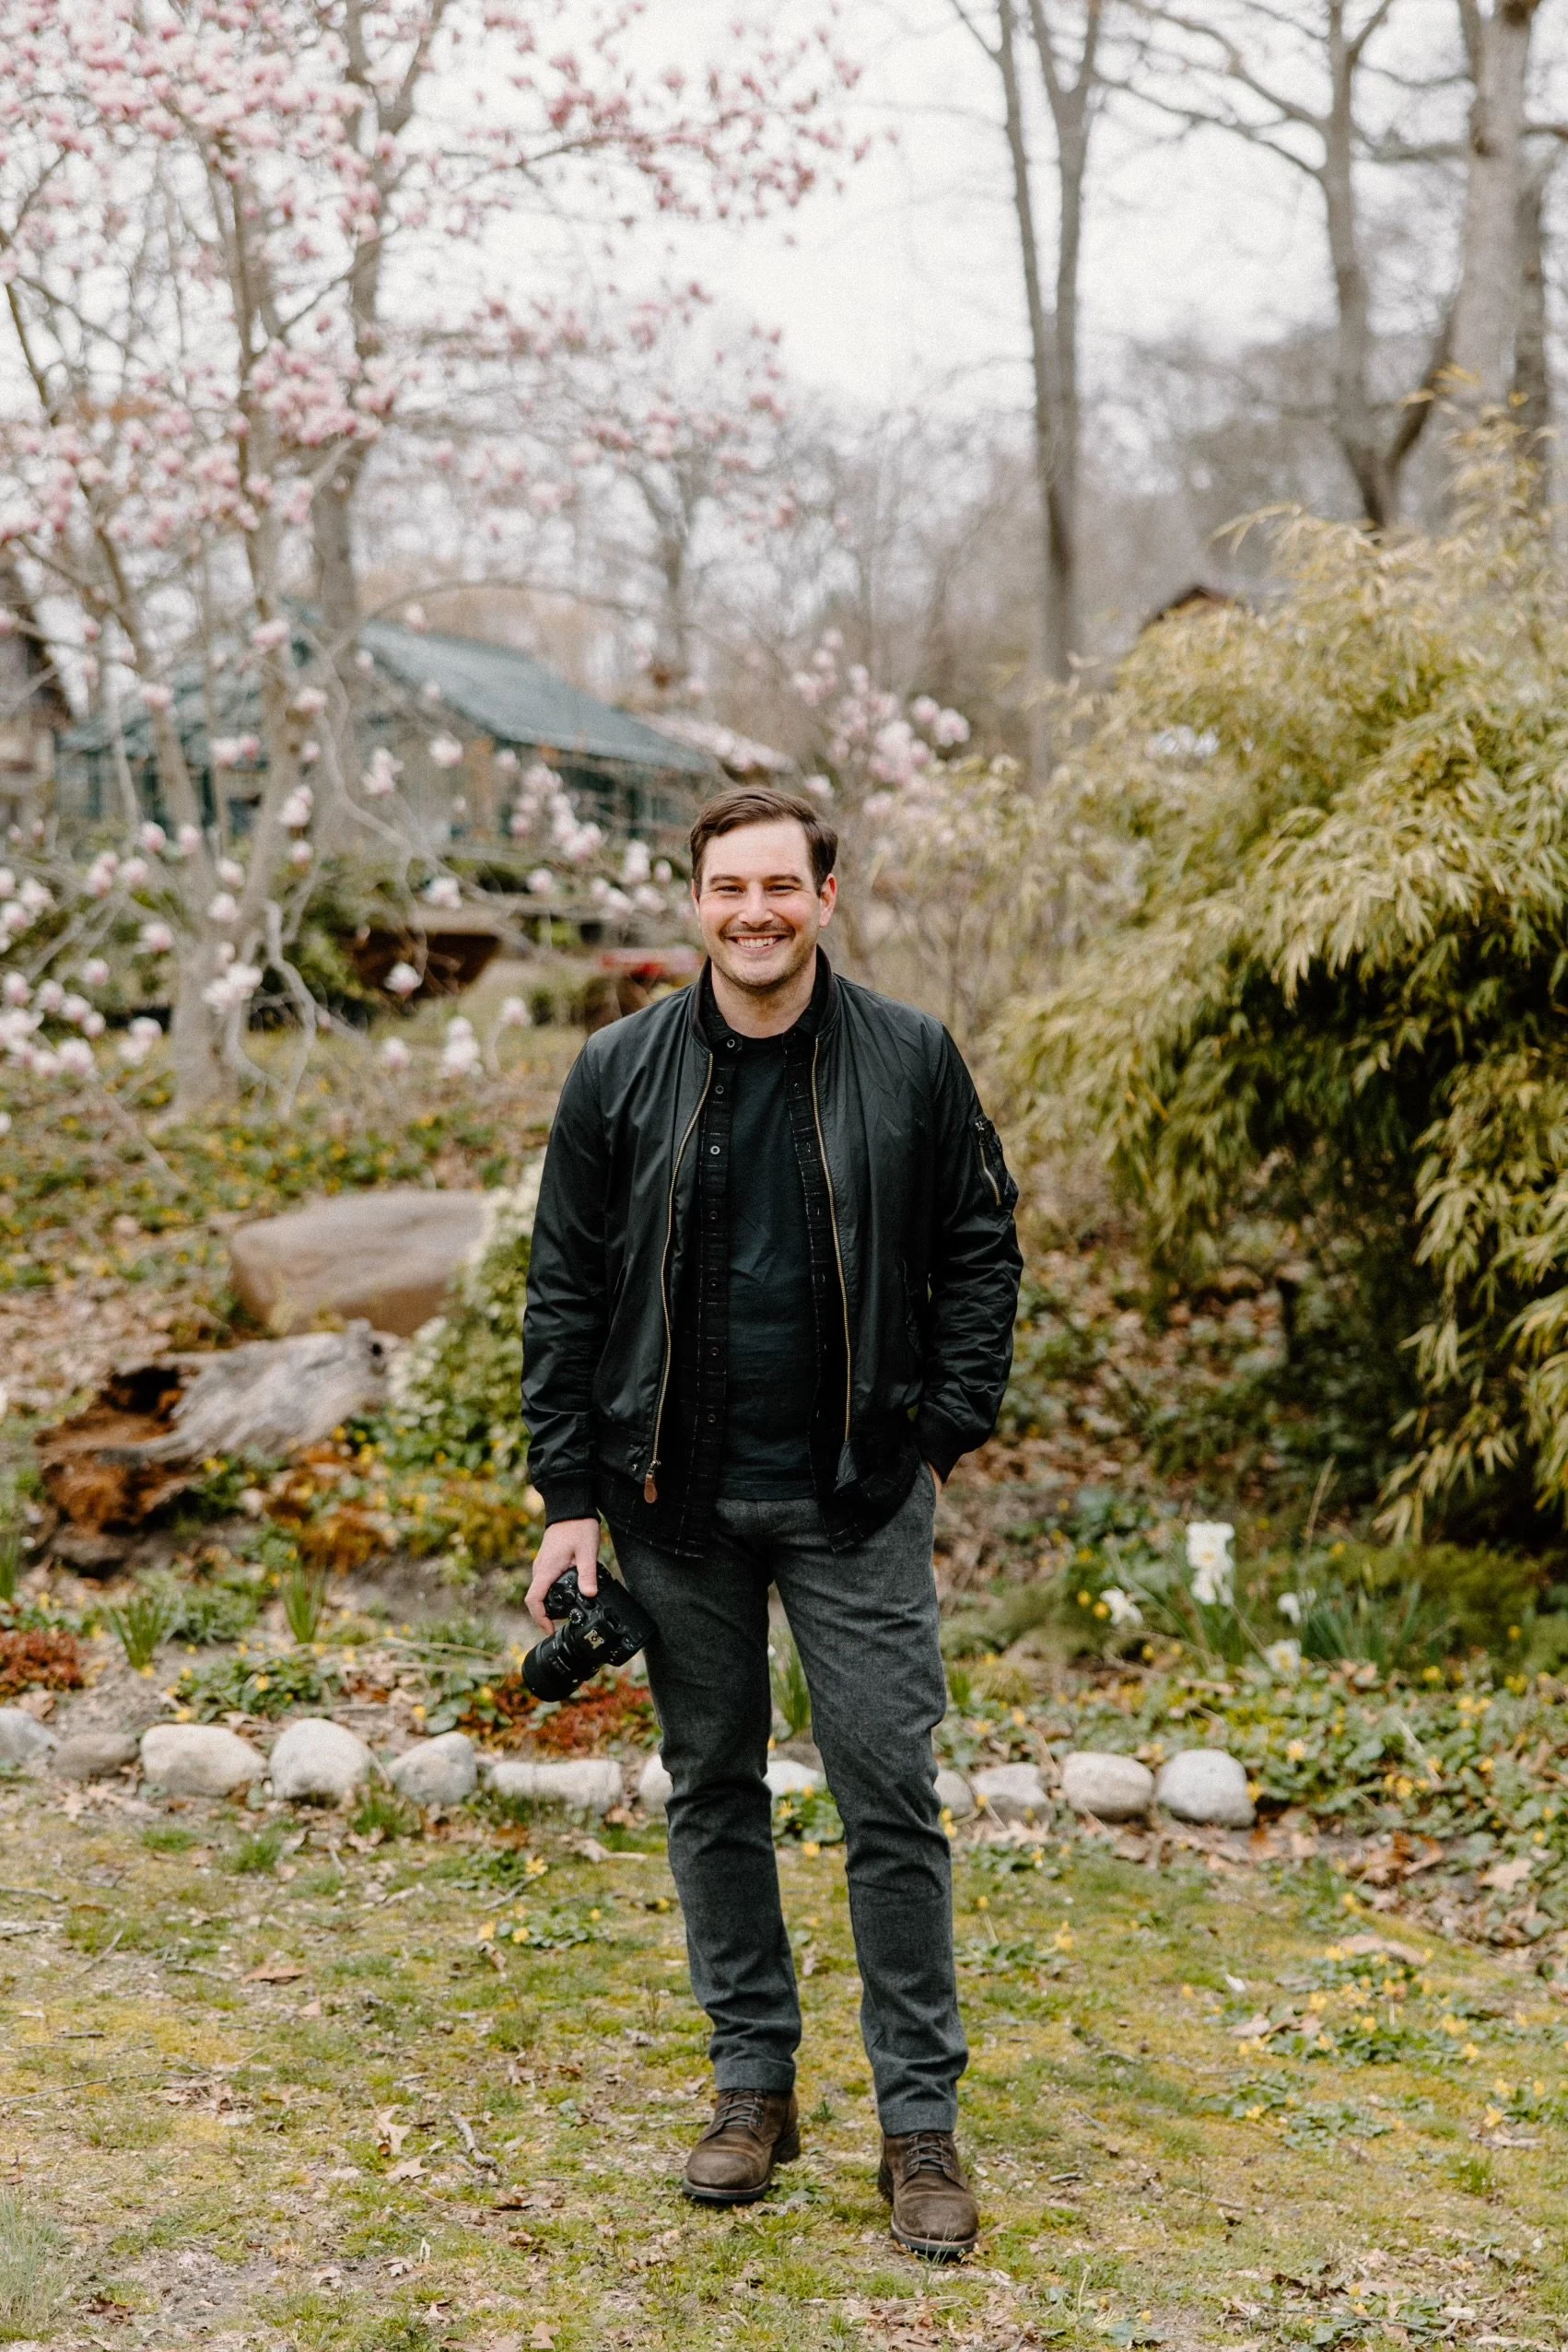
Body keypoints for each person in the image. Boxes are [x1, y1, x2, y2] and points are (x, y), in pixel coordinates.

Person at [522, 786, 1022, 2259]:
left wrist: (939, 1434)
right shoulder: (616, 1071)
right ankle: (752, 2087)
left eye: (780, 887)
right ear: (696, 903)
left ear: (824, 897)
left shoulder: (910, 1057)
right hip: (670, 1500)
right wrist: (567, 1499)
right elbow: (562, 1288)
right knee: (713, 1791)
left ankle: (917, 2122)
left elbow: (979, 1246)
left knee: (889, 1800)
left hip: (854, 1497)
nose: (754, 913)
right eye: (728, 889)